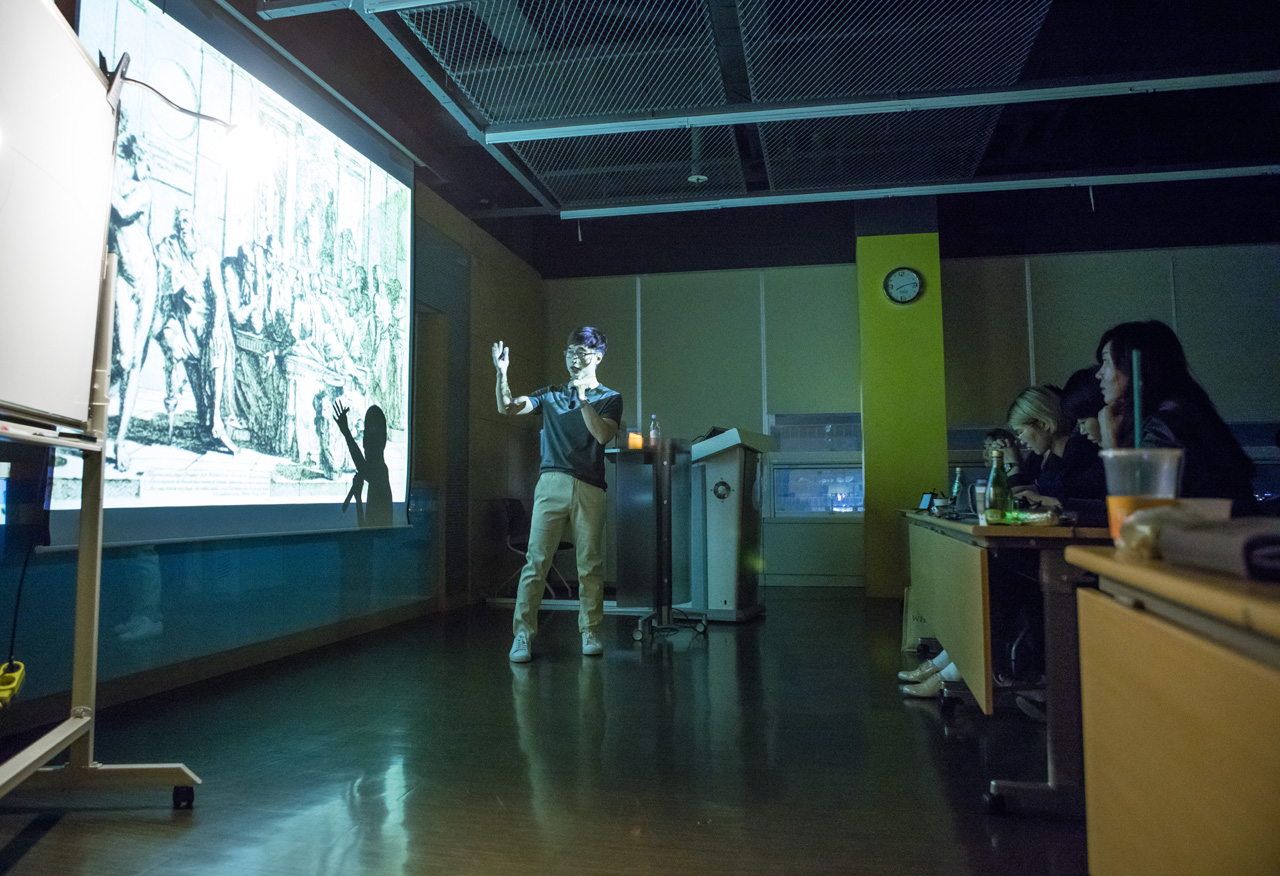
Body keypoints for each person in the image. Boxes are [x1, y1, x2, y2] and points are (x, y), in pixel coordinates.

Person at [494, 328, 622, 662]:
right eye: (569, 352)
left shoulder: (610, 398)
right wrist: (502, 373)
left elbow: (603, 435)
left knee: (590, 564)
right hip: (551, 483)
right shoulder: (550, 394)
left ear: (597, 357)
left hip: (590, 487)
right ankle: (522, 635)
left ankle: (590, 630)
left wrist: (583, 400)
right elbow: (508, 407)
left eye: (581, 353)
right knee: (536, 561)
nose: (573, 359)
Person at [1096, 320, 1256, 515]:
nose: (1098, 374)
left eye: (1106, 362)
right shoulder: (1182, 410)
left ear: (1135, 367)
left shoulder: (1165, 424)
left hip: (1214, 532)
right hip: (1223, 529)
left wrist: (1109, 439)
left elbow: (1135, 510)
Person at [1006, 385, 1106, 517]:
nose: (1020, 439)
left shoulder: (1082, 450)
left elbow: (1075, 492)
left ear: (1043, 423)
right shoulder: (1053, 459)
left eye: (1021, 431)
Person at [332, 403, 393, 528]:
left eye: (372, 437)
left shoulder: (380, 473)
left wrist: (346, 432)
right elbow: (366, 531)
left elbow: (363, 468)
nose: (365, 443)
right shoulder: (380, 474)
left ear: (384, 440)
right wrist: (358, 499)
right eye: (365, 435)